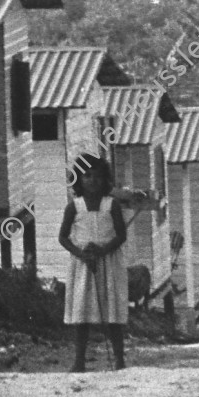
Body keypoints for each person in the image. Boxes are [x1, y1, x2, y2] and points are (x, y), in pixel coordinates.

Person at [58, 154, 128, 371]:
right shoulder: (74, 207)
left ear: (104, 179)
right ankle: (79, 361)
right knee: (82, 313)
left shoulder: (111, 204)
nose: (93, 181)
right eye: (87, 176)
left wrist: (103, 249)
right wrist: (81, 253)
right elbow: (63, 237)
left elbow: (121, 235)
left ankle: (119, 360)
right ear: (78, 180)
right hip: (83, 265)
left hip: (108, 261)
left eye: (98, 176)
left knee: (112, 311)